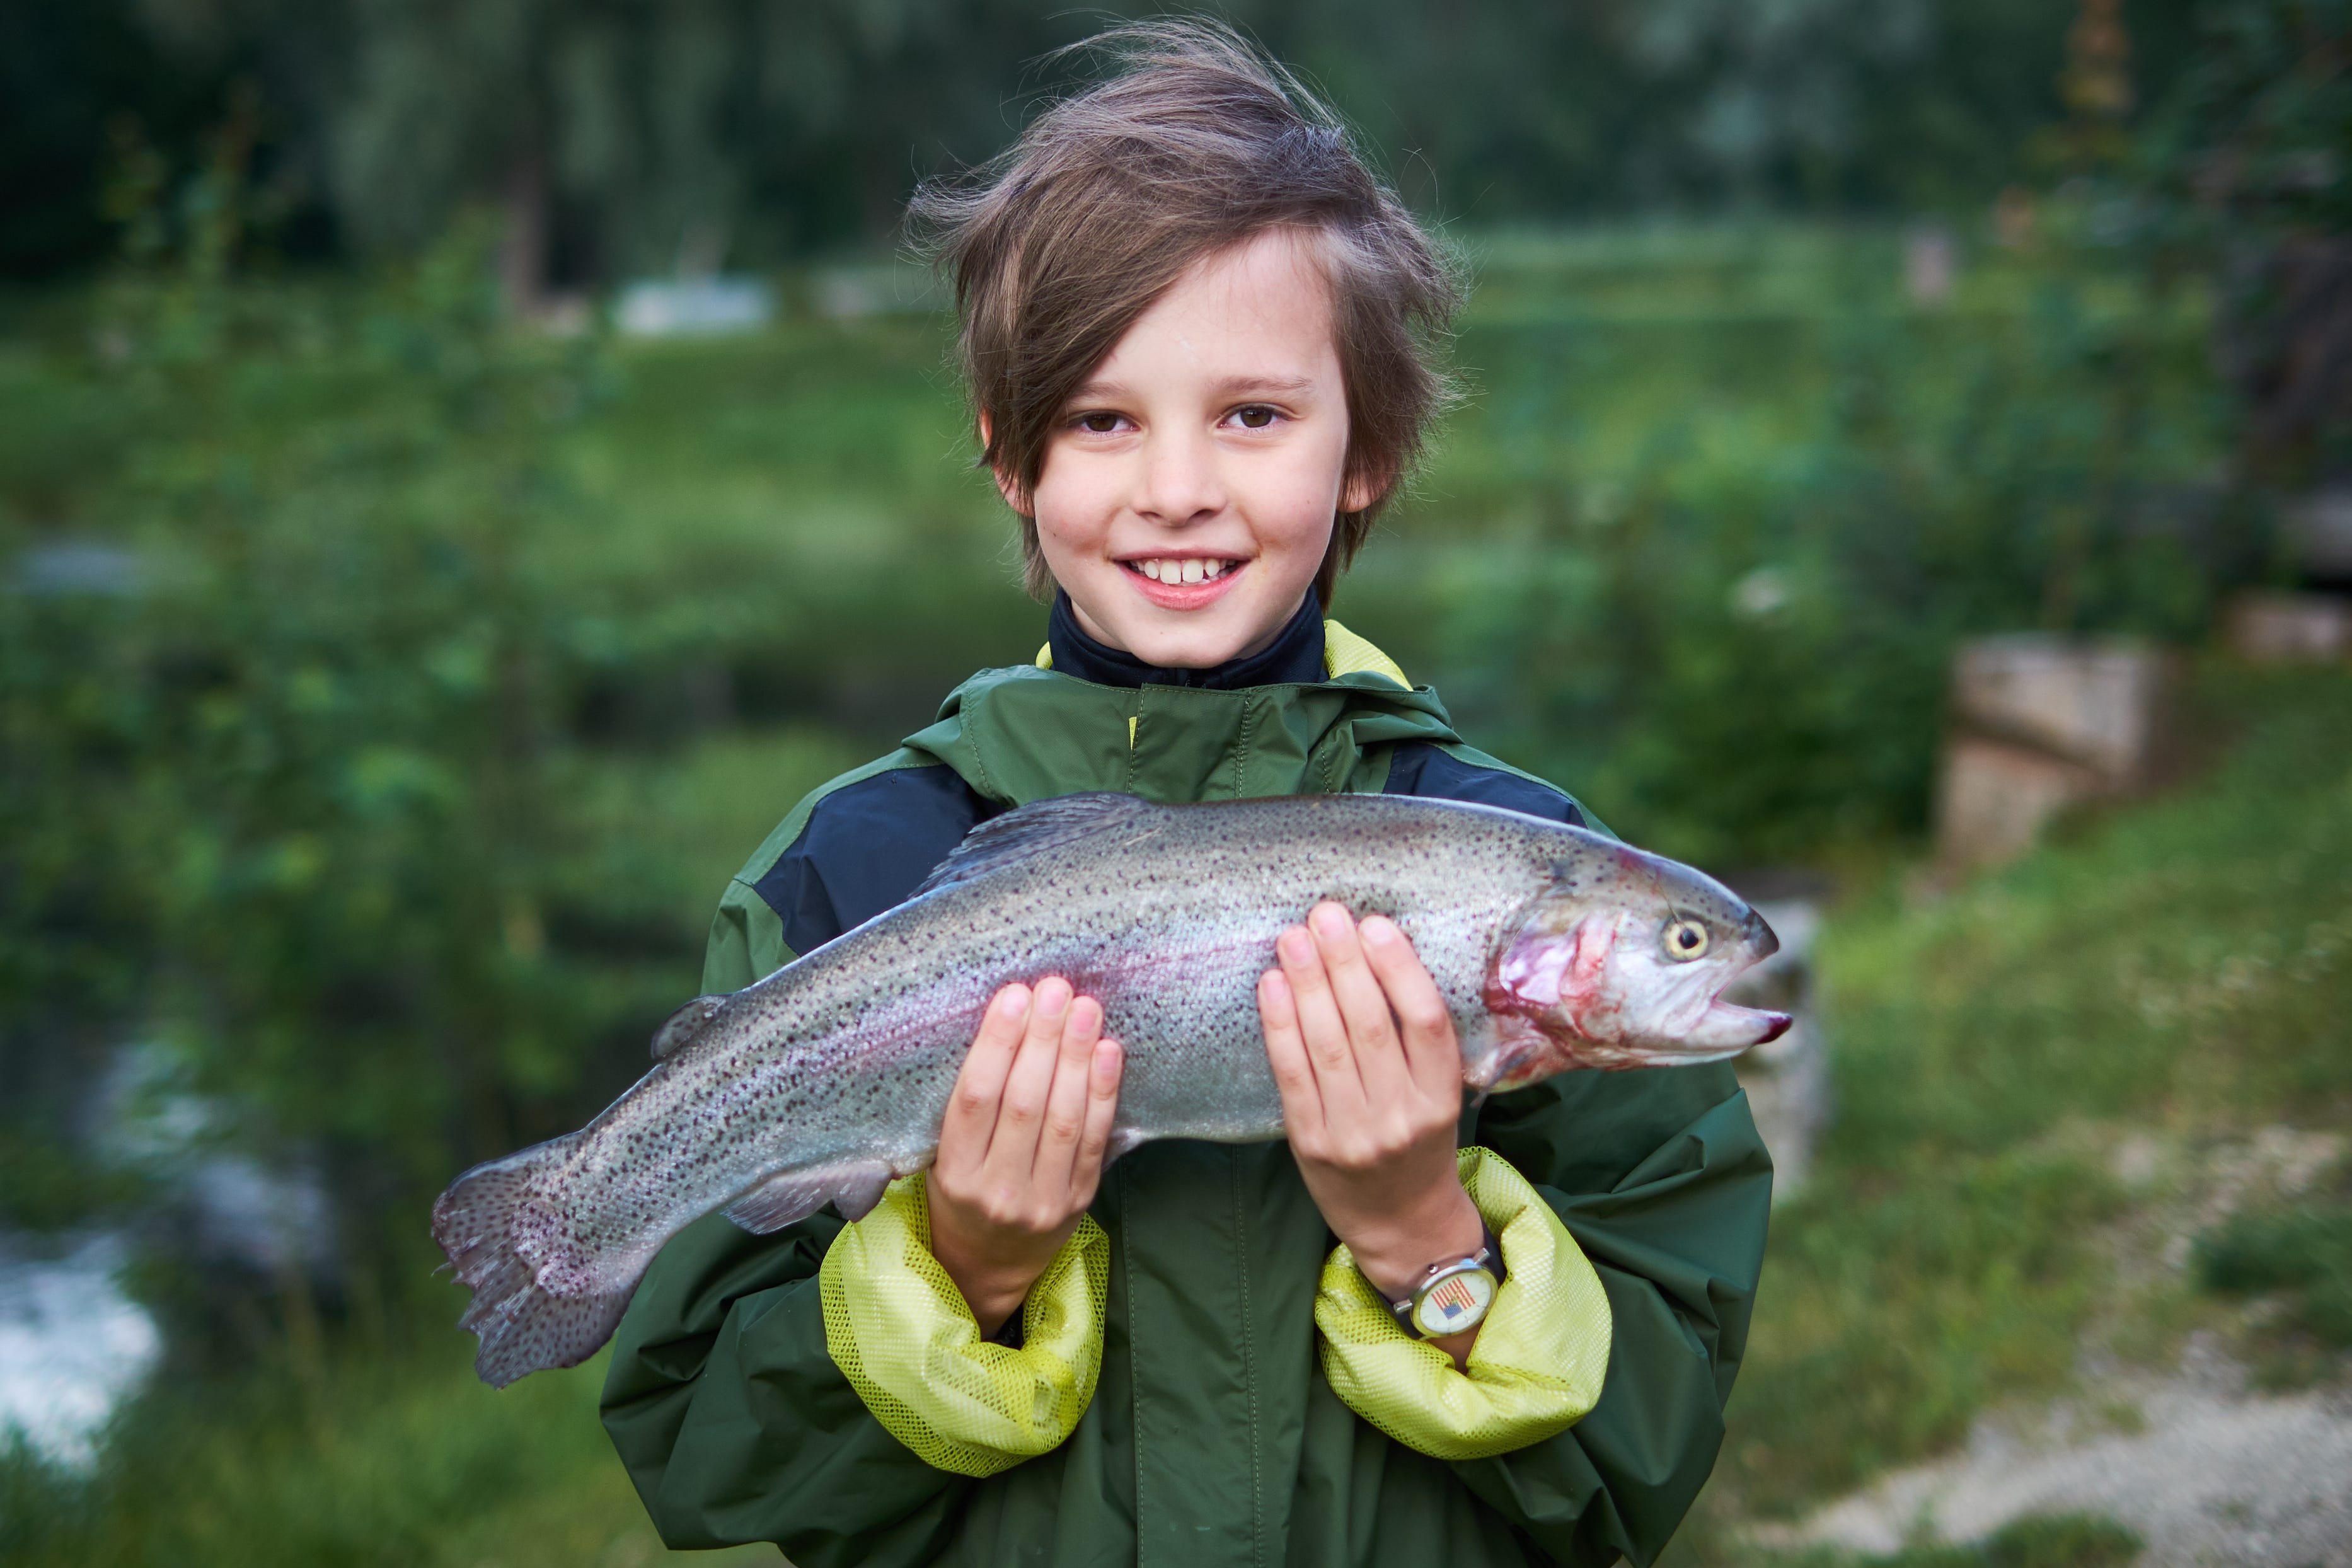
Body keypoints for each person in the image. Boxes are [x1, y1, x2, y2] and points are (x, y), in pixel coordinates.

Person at [599, 23, 1769, 1567]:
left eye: (1254, 414)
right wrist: (965, 1264)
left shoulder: (1504, 830)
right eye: (1102, 418)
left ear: (1370, 445)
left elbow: (1638, 1467)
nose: (1175, 488)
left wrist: (1425, 1226)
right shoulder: (852, 868)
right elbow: (705, 1455)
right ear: (1010, 458)